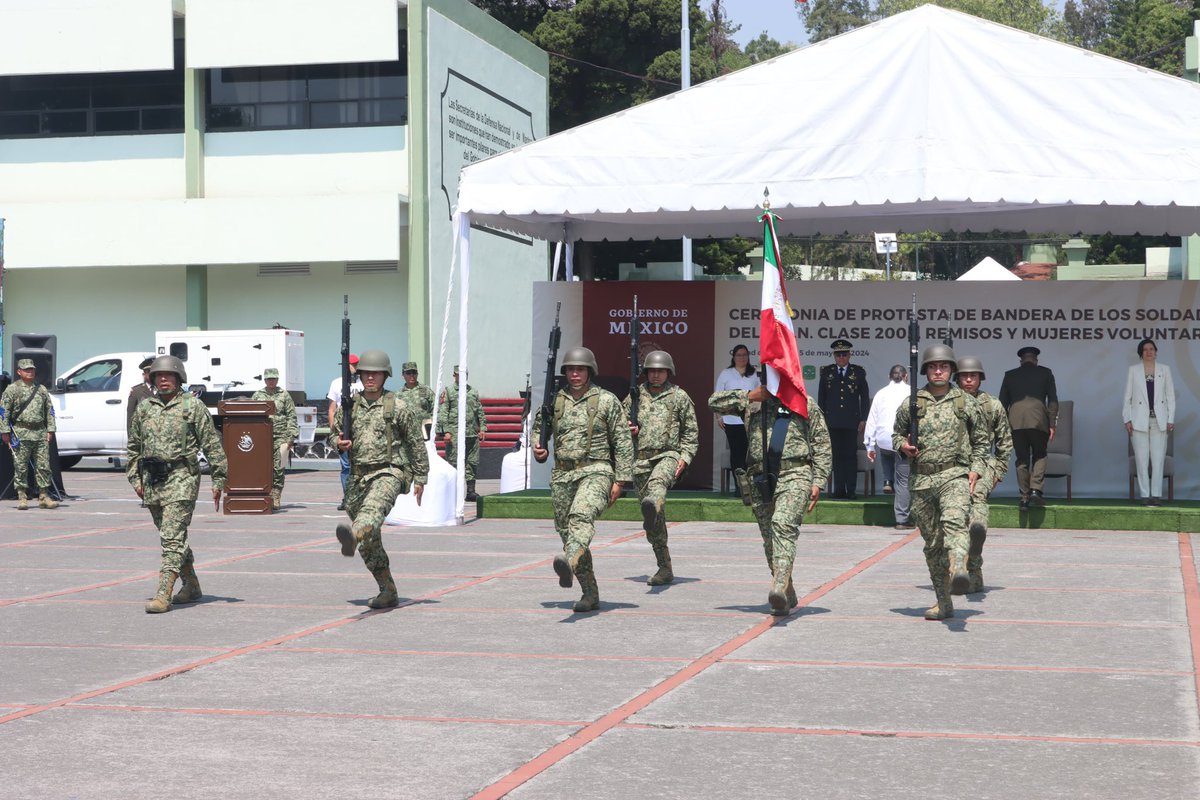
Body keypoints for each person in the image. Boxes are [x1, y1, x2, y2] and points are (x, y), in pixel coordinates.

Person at [709, 382, 831, 616]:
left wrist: (818, 480)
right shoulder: (754, 403)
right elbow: (713, 402)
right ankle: (787, 590)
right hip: (760, 478)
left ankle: (778, 586)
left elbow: (822, 444)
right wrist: (748, 396)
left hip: (795, 472)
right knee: (769, 541)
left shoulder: (804, 403)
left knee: (782, 525)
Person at [532, 346, 633, 613]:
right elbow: (539, 432)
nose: (575, 374)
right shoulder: (555, 401)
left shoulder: (607, 400)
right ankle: (589, 593)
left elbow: (623, 442)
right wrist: (538, 448)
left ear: (590, 371)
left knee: (580, 517)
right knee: (569, 535)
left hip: (597, 470)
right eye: (570, 369)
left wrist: (621, 481)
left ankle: (567, 560)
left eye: (580, 369)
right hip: (563, 474)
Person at [893, 345, 989, 621]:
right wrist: (904, 446)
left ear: (951, 371)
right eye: (934, 367)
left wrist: (977, 469)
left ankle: (960, 567)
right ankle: (943, 601)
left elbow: (983, 441)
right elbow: (896, 434)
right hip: (921, 480)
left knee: (955, 522)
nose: (938, 371)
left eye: (944, 367)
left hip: (954, 475)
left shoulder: (965, 402)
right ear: (925, 370)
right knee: (933, 544)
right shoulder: (913, 402)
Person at [126, 355, 228, 614]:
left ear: (178, 378)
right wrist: (135, 478)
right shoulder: (145, 407)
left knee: (171, 538)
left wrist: (218, 479)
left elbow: (213, 445)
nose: (163, 379)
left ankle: (164, 594)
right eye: (158, 376)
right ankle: (192, 585)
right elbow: (134, 446)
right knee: (173, 536)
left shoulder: (192, 407)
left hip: (182, 478)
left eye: (168, 375)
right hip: (153, 480)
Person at [332, 349, 429, 609]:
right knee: (370, 542)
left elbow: (415, 443)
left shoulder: (399, 406)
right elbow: (335, 434)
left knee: (371, 513)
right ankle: (387, 590)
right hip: (357, 476)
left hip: (389, 471)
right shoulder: (349, 405)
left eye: (376, 373)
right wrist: (339, 442)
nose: (370, 377)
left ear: (385, 376)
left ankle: (353, 534)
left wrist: (420, 476)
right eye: (366, 373)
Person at [623, 350, 699, 586]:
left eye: (661, 371)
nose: (656, 375)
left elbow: (691, 433)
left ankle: (654, 501)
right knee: (654, 523)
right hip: (641, 461)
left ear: (669, 372)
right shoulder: (635, 397)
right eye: (652, 371)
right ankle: (664, 567)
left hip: (668, 455)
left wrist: (684, 457)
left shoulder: (679, 397)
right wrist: (629, 429)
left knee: (657, 487)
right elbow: (619, 428)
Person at [954, 356, 1013, 594]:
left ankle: (975, 563)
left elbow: (1005, 443)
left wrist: (997, 472)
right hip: (954, 465)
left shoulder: (992, 405)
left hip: (984, 465)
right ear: (957, 378)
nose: (969, 380)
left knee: (976, 502)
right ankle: (960, 571)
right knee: (954, 519)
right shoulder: (949, 402)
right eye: (964, 376)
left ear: (980, 378)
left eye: (973, 376)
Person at [998, 346, 1058, 510]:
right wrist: (1052, 423)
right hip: (1039, 421)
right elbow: (1052, 400)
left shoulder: (1010, 375)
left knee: (1022, 459)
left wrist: (1002, 426)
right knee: (1040, 454)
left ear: (1021, 361)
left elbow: (1002, 402)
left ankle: (1024, 498)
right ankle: (1035, 490)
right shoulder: (1046, 373)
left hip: (1015, 422)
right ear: (1036, 360)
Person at [1123, 338, 1175, 506]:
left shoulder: (1164, 370)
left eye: (1151, 348)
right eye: (1145, 349)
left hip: (1159, 420)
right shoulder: (1133, 370)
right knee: (1141, 459)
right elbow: (1127, 397)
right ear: (1141, 353)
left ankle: (1156, 495)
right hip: (1139, 420)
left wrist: (1170, 418)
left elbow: (1170, 397)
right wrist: (1127, 419)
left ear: (1156, 351)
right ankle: (1145, 495)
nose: (1149, 352)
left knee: (1158, 459)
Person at [2, 359, 58, 510]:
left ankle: (44, 496)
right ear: (19, 372)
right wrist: (5, 431)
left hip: (40, 432)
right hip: (21, 432)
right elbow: (4, 412)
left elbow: (50, 411)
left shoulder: (41, 389)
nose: (30, 372)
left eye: (32, 369)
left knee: (43, 466)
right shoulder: (12, 390)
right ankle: (22, 497)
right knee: (21, 466)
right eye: (26, 369)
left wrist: (50, 429)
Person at [818, 339, 869, 499]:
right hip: (832, 421)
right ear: (834, 356)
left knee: (850, 456)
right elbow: (822, 398)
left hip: (851, 421)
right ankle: (839, 489)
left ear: (849, 355)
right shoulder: (827, 372)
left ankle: (851, 490)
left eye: (844, 354)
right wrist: (822, 419)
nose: (841, 358)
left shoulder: (858, 372)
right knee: (836, 456)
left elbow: (865, 397)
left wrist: (863, 419)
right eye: (838, 355)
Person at [864, 365, 911, 529]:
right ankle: (902, 520)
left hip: (883, 439)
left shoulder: (881, 393)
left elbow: (872, 420)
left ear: (889, 376)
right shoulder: (912, 392)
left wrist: (870, 446)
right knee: (904, 481)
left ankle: (887, 479)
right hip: (903, 441)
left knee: (886, 454)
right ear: (905, 376)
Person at [438, 365, 487, 501]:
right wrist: (445, 432)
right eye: (459, 374)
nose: (462, 376)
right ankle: (452, 492)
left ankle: (470, 491)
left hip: (471, 433)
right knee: (453, 463)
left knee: (472, 462)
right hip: (454, 434)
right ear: (454, 375)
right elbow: (443, 412)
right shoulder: (449, 391)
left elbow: (479, 411)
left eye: (465, 374)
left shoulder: (472, 391)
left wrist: (482, 428)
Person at [251, 367, 298, 510]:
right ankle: (263, 495)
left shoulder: (284, 395)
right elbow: (250, 414)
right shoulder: (258, 395)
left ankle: (276, 495)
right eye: (269, 379)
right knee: (262, 467)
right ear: (265, 380)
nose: (271, 381)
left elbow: (291, 416)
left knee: (279, 467)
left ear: (277, 380)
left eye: (274, 379)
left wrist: (291, 436)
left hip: (281, 436)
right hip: (262, 438)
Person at [713, 345, 758, 490]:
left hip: (750, 420)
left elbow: (760, 395)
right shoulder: (726, 373)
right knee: (736, 452)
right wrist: (718, 416)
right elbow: (717, 396)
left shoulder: (754, 373)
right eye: (739, 355)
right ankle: (740, 486)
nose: (742, 357)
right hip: (730, 420)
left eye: (744, 355)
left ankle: (750, 485)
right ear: (734, 357)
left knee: (749, 453)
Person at [326, 353, 361, 511]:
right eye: (350, 364)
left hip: (360, 431)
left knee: (360, 466)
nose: (352, 368)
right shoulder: (336, 383)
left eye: (354, 364)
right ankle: (348, 497)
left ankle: (360, 497)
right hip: (343, 431)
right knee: (346, 467)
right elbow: (332, 408)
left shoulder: (363, 384)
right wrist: (334, 429)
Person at [126, 356, 155, 432]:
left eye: (154, 372)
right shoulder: (136, 392)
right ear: (144, 374)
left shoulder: (163, 390)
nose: (151, 374)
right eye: (148, 371)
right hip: (143, 435)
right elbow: (130, 418)